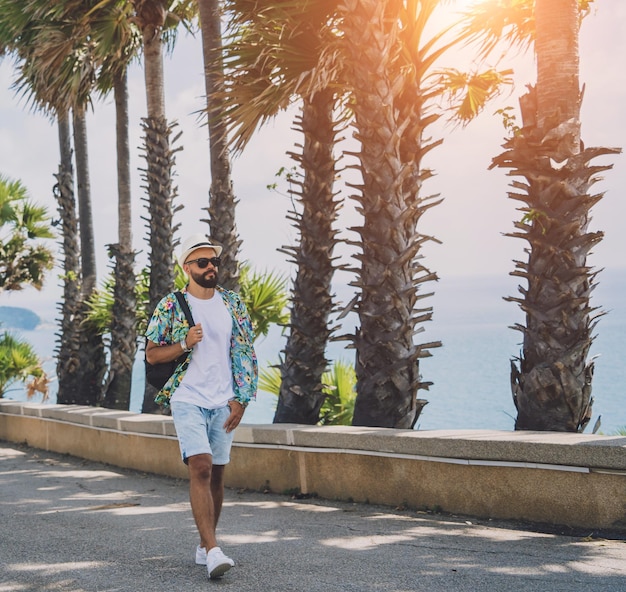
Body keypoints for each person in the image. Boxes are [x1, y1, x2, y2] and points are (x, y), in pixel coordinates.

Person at [145, 233, 258, 580]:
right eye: (203, 262)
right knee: (202, 467)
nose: (211, 267)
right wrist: (183, 342)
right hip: (188, 397)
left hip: (223, 400)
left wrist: (242, 399)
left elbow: (244, 352)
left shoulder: (232, 304)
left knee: (218, 473)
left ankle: (203, 543)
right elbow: (151, 355)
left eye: (214, 262)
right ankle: (212, 551)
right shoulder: (170, 305)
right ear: (187, 268)